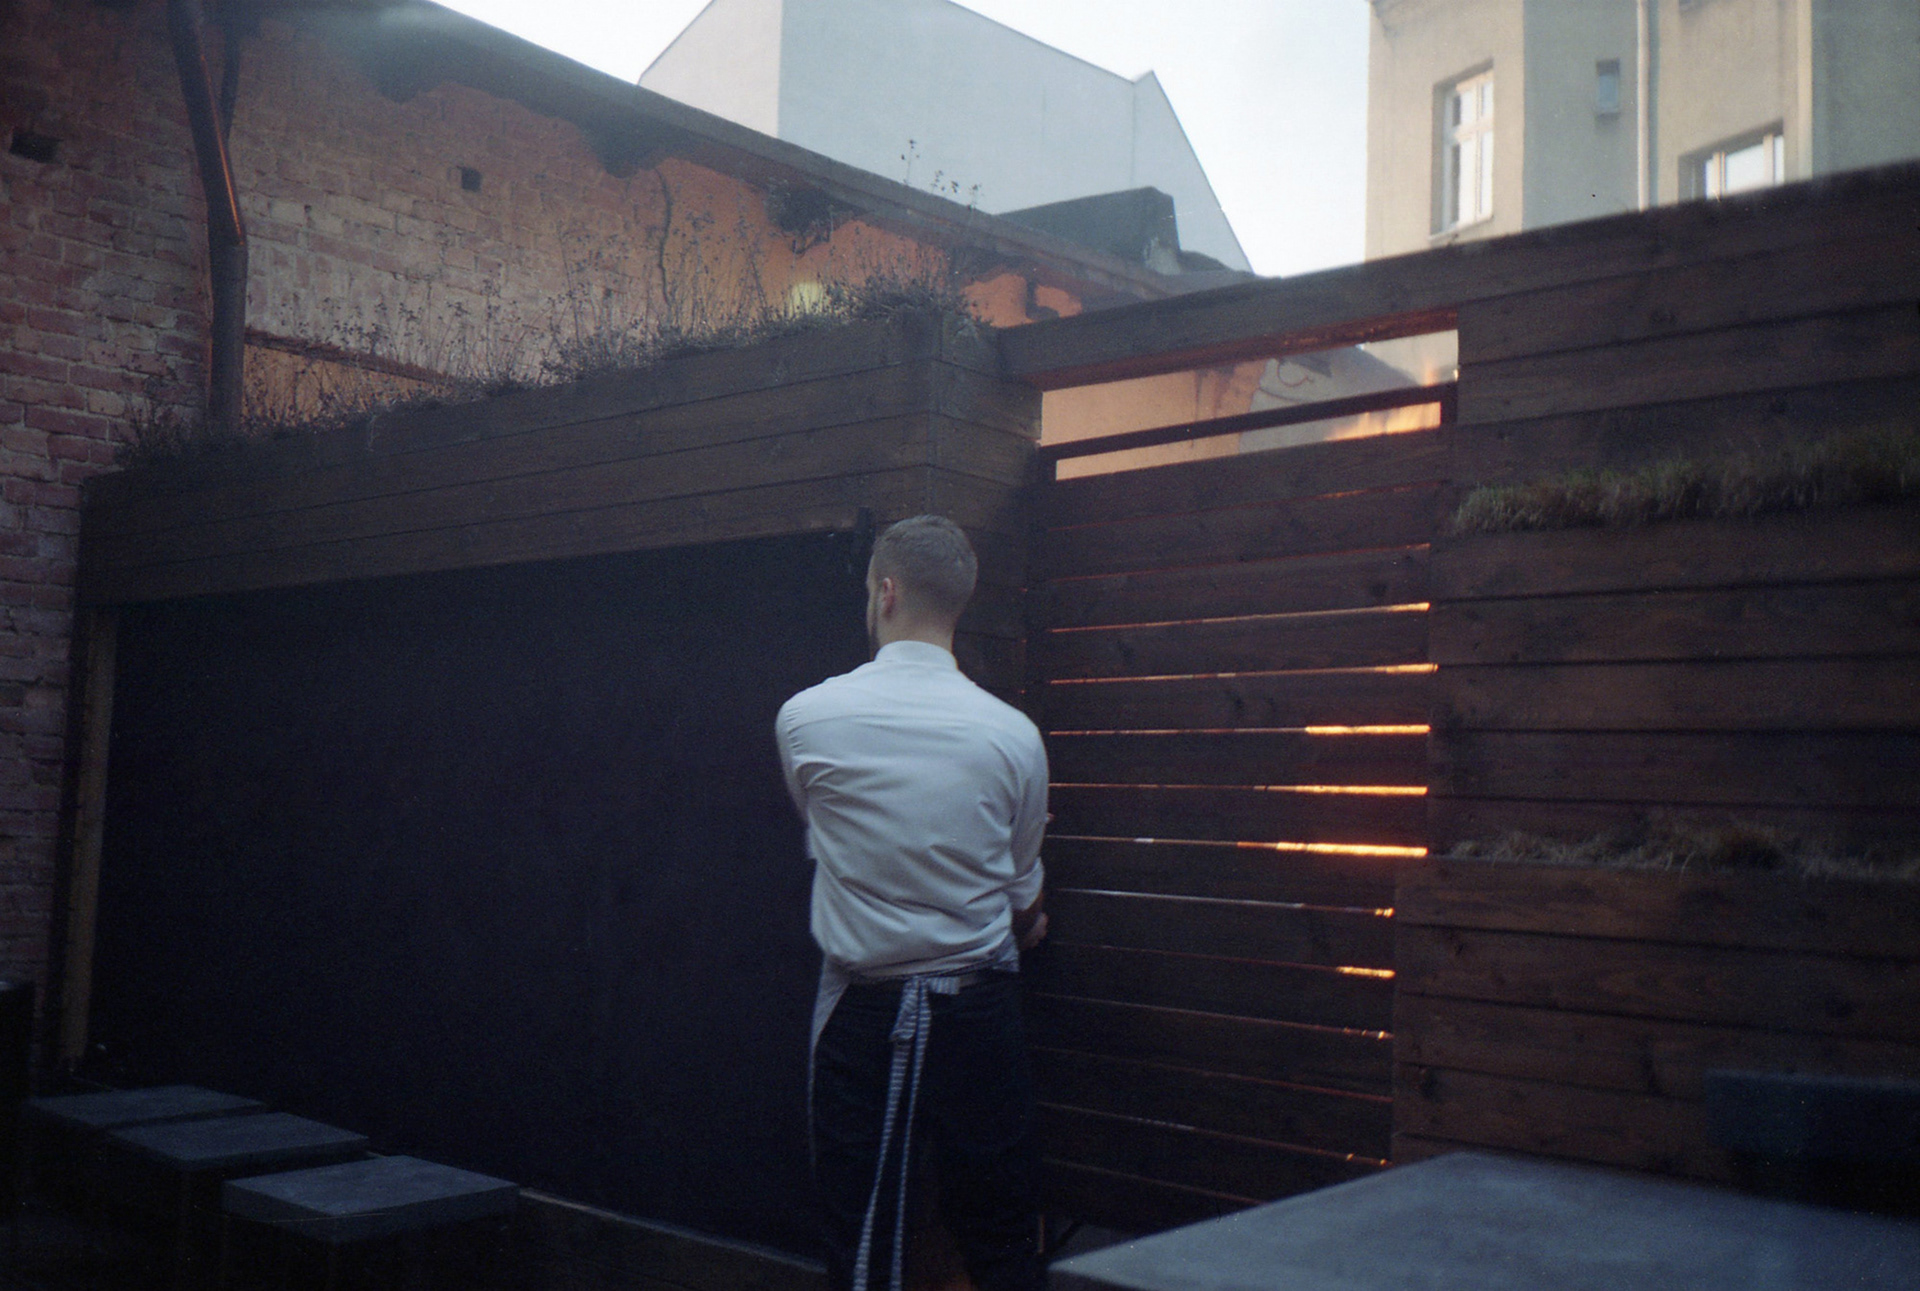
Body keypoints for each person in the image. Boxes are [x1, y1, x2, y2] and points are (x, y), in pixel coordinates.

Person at [775, 514, 1050, 1291]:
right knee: (1002, 1244)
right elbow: (1023, 887)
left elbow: (828, 829)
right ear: (959, 602)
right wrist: (1028, 919)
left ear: (886, 592)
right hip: (980, 1014)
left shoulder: (805, 718)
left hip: (863, 1014)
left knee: (863, 1248)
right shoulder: (1014, 737)